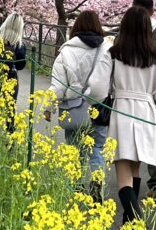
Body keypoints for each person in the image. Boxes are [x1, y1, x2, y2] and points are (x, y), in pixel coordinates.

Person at [108, 6, 156, 224]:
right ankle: (129, 223)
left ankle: (135, 225)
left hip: (122, 111)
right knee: (135, 168)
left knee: (123, 171)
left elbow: (98, 88)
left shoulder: (114, 55)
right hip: (147, 113)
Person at [44, 10, 113, 197]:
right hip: (100, 106)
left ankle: (77, 186)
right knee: (97, 147)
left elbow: (58, 86)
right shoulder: (107, 49)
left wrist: (48, 108)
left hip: (73, 108)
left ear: (76, 27)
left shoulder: (66, 51)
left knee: (74, 148)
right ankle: (97, 186)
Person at [131, 0, 156, 205]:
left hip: (130, 99)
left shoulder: (125, 34)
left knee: (132, 145)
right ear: (153, 11)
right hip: (154, 96)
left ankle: (131, 189)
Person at [0, 13, 27, 131]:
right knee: (10, 107)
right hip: (11, 78)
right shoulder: (19, 45)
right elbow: (21, 66)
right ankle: (10, 133)